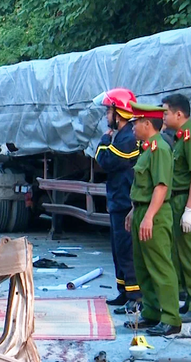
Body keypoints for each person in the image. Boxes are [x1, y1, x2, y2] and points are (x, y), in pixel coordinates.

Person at [123, 101, 181, 336]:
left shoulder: (160, 149)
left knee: (160, 266)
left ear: (147, 123)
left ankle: (170, 318)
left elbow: (161, 186)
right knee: (143, 266)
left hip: (154, 215)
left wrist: (148, 217)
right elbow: (143, 186)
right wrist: (133, 211)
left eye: (135, 122)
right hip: (143, 211)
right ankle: (151, 313)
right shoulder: (148, 148)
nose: (133, 127)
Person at [94, 88, 142, 314]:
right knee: (117, 249)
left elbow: (104, 160)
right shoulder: (123, 136)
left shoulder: (127, 139)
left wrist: (104, 139)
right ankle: (124, 292)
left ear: (119, 112)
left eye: (109, 111)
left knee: (126, 250)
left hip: (125, 201)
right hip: (118, 199)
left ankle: (135, 297)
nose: (107, 116)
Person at [161, 93, 191, 319]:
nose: (162, 116)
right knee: (180, 255)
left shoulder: (188, 137)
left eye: (165, 112)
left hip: (184, 199)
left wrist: (189, 209)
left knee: (187, 255)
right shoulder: (180, 137)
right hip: (177, 199)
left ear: (178, 114)